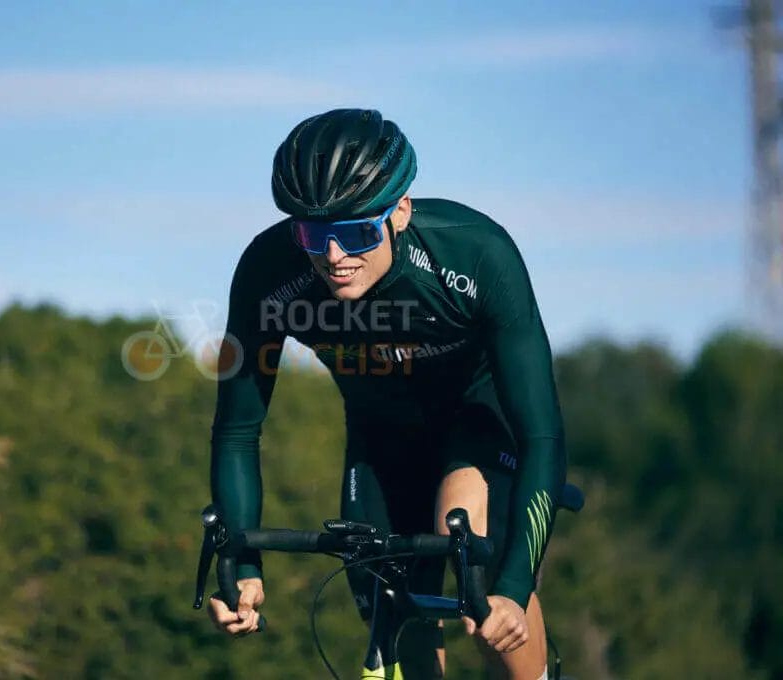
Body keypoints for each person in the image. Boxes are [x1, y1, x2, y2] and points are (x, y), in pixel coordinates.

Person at [207, 108, 566, 680]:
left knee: (469, 547)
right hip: (380, 436)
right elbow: (236, 430)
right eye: (311, 234)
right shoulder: (267, 271)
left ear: (400, 211)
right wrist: (242, 562)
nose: (332, 258)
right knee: (389, 604)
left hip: (474, 421)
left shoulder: (476, 254)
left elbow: (542, 436)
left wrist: (515, 587)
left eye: (354, 233)